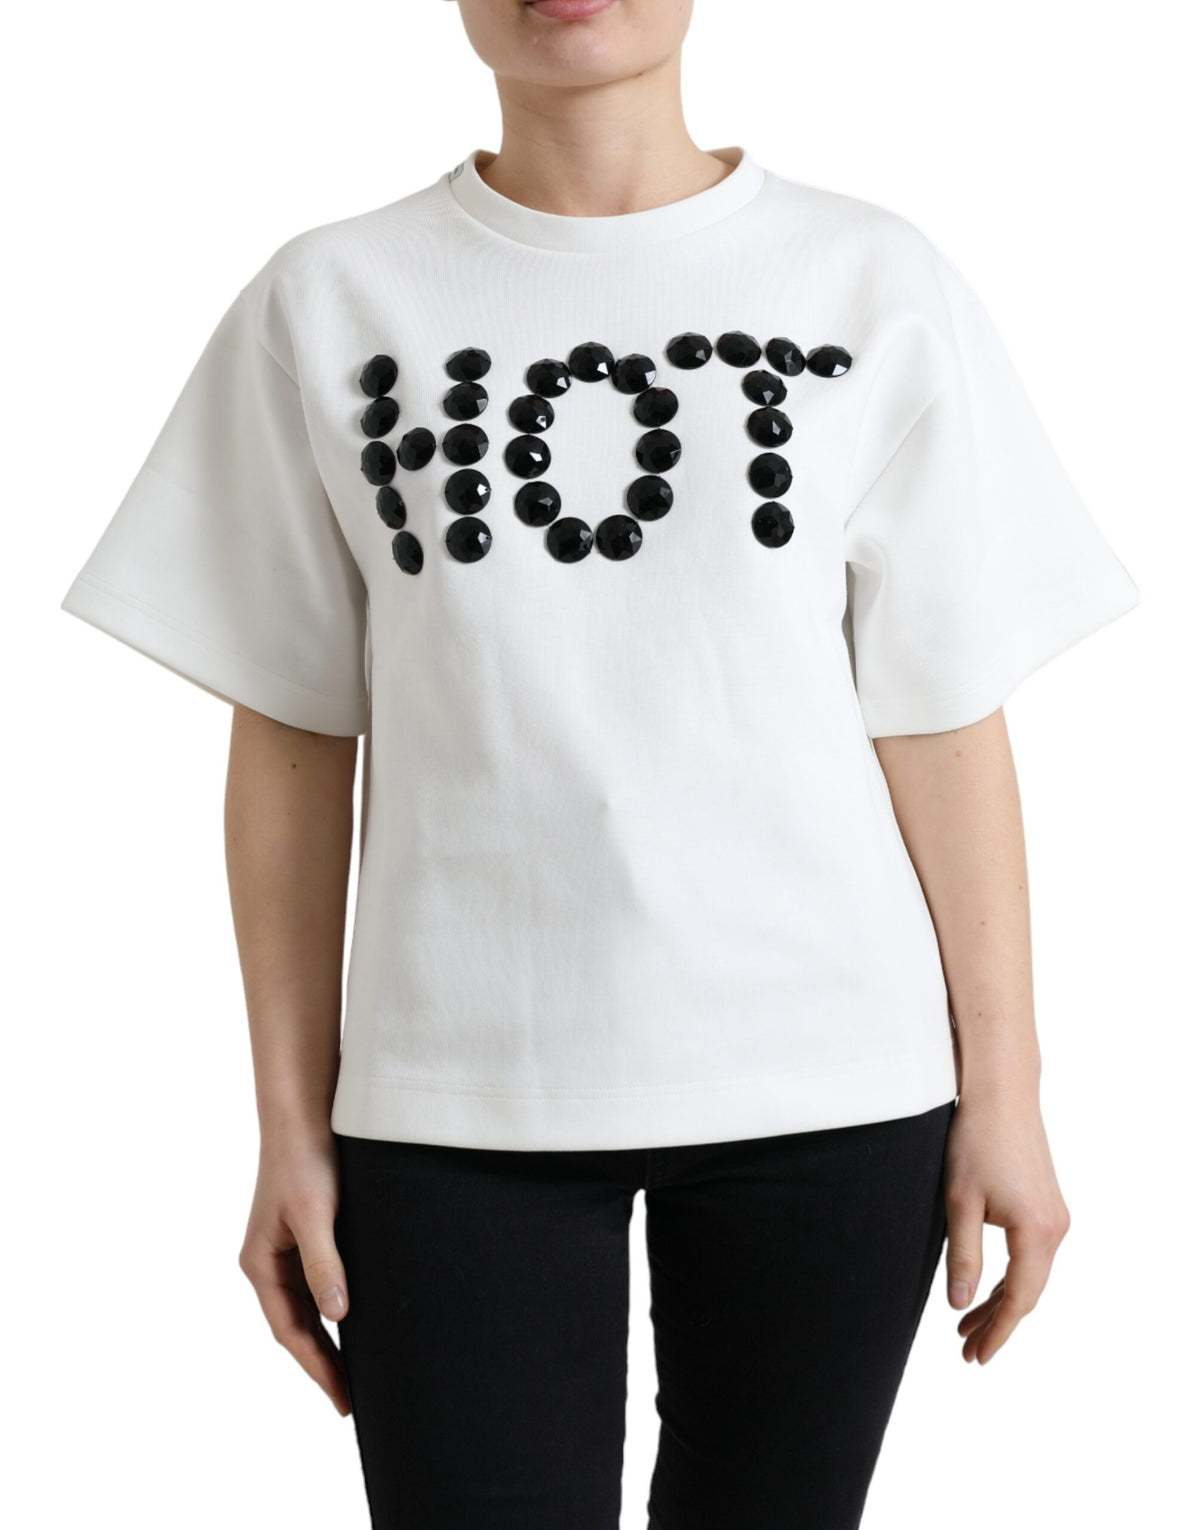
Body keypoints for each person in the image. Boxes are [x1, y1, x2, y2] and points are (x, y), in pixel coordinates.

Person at [58, 1, 1140, 1525]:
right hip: (451, 1108)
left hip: (830, 1084)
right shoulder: (331, 299)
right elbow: (292, 731)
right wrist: (288, 1126)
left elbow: (940, 714)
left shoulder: (872, 279)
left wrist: (1008, 1094)